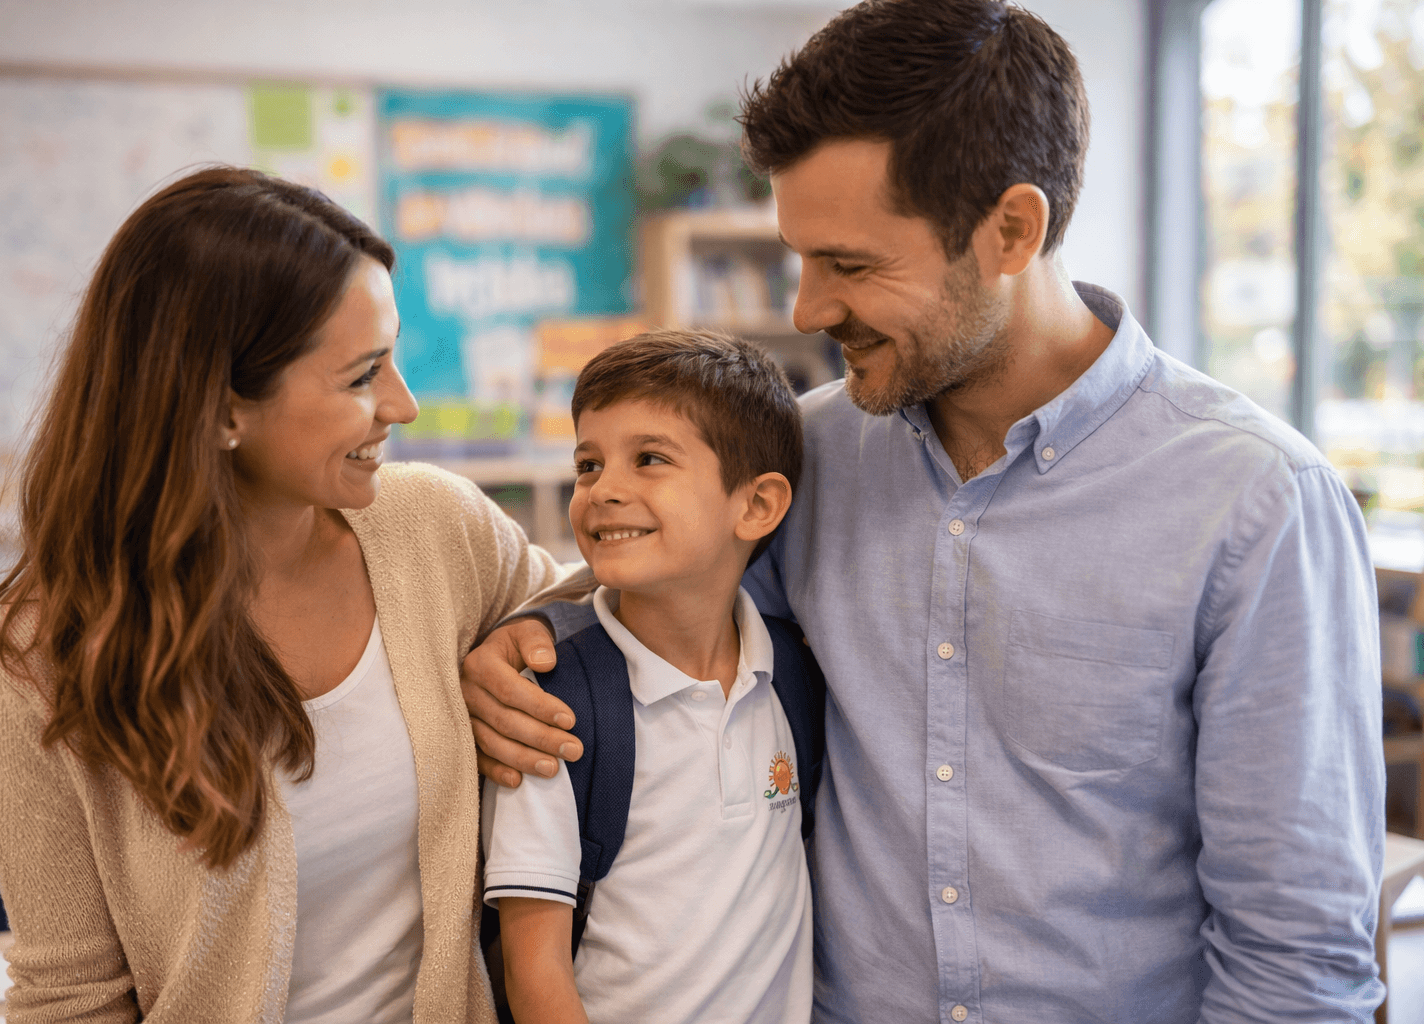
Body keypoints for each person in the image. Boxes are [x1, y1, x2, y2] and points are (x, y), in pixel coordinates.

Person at [460, 2, 1387, 1021]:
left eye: (851, 265)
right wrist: (531, 637)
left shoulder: (1256, 503)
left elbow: (1294, 957)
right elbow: (654, 584)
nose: (808, 309)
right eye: (800, 259)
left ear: (1012, 230)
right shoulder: (803, 456)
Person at [0, 166, 569, 1023]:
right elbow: (71, 998)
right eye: (362, 376)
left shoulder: (435, 529)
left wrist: (526, 632)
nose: (405, 404)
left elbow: (601, 607)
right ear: (220, 411)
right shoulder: (39, 653)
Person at [481, 331, 819, 1024]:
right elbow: (533, 968)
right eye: (588, 464)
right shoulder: (554, 701)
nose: (604, 490)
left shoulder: (793, 675)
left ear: (756, 506)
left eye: (650, 459)